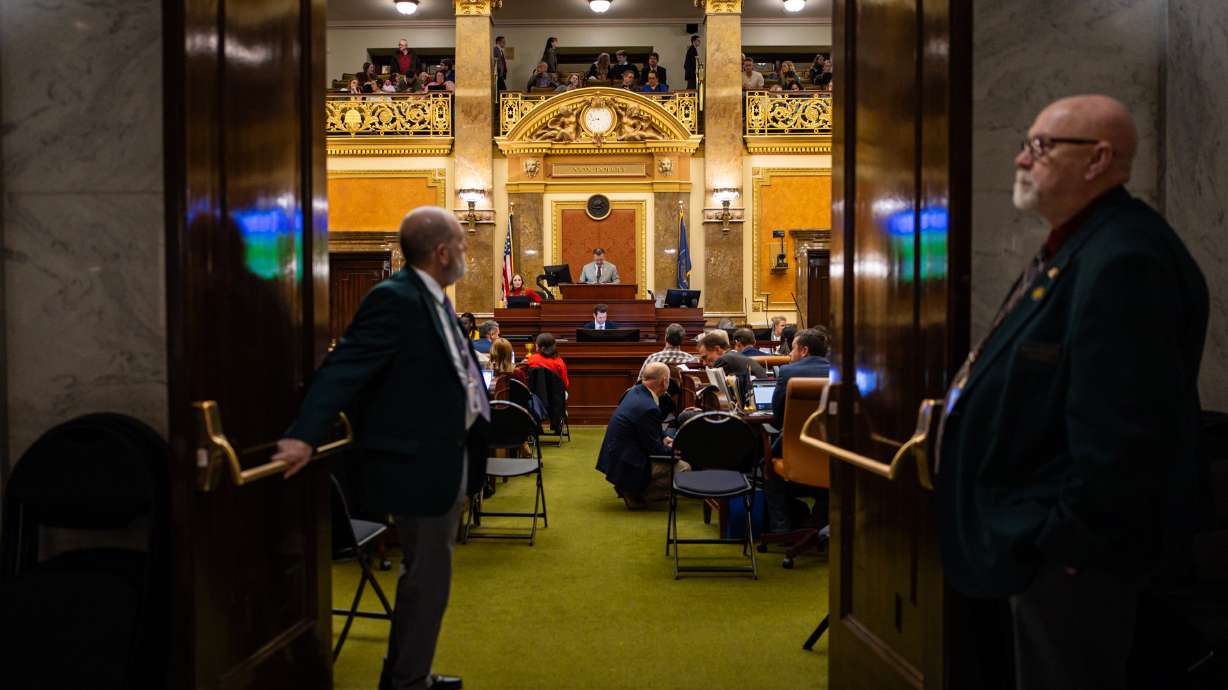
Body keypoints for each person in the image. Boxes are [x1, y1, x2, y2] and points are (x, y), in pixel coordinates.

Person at [935, 95, 1208, 690]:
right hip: (1042, 547)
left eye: (1040, 146)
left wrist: (1060, 544)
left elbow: (1122, 433)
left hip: (1075, 562)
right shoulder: (1077, 246)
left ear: (1098, 159)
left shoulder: (1126, 259)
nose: (1020, 159)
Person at [273, 207, 486, 690]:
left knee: (430, 578)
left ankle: (410, 673)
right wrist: (305, 434)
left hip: (448, 454)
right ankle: (407, 681)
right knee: (427, 579)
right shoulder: (396, 298)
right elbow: (345, 366)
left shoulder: (432, 296)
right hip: (422, 461)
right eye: (464, 244)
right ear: (442, 252)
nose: (469, 252)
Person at [595, 362, 691, 509]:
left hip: (615, 459)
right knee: (684, 467)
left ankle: (630, 487)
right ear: (664, 381)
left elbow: (649, 427)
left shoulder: (635, 392)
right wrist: (677, 450)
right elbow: (654, 449)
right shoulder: (648, 407)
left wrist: (664, 437)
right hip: (628, 465)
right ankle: (637, 494)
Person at [764, 327, 832, 531]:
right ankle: (823, 523)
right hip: (833, 456)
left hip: (795, 455)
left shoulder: (787, 372)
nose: (790, 354)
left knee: (765, 467)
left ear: (804, 350)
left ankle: (782, 529)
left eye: (792, 349)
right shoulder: (841, 371)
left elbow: (776, 420)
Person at [696, 330, 767, 379]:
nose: (704, 363)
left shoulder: (723, 361)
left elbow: (720, 390)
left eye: (705, 357)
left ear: (717, 349)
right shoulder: (733, 356)